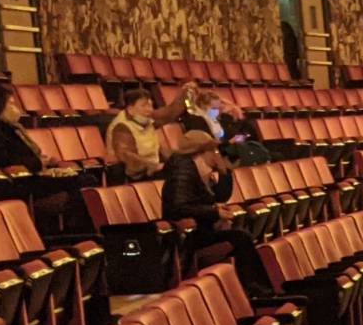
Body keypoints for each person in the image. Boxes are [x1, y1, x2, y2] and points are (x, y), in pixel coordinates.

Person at [161, 122, 272, 294]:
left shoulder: (199, 169)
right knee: (240, 238)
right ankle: (257, 289)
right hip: (186, 237)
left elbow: (220, 196)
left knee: (241, 234)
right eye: (212, 150)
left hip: (201, 229)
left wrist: (225, 171)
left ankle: (256, 288)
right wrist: (214, 212)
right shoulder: (182, 171)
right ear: (200, 152)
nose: (216, 154)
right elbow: (178, 207)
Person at [106, 85, 166, 178]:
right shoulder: (121, 126)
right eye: (144, 105)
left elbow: (168, 114)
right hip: (132, 174)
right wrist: (152, 166)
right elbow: (127, 156)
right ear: (130, 109)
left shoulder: (147, 120)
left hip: (153, 168)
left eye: (150, 105)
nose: (149, 109)